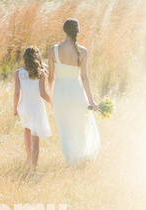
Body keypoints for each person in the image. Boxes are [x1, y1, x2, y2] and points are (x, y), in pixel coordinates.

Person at [48, 18, 100, 166]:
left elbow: (50, 77)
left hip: (60, 93)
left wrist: (51, 97)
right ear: (77, 31)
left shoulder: (54, 50)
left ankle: (71, 161)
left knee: (65, 128)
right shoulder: (83, 51)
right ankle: (81, 158)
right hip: (76, 92)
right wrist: (91, 100)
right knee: (80, 125)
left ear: (64, 30)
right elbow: (84, 78)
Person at [14, 47, 52, 170]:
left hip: (24, 106)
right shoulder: (41, 73)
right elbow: (42, 93)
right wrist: (52, 101)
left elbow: (16, 93)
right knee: (35, 138)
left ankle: (29, 158)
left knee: (27, 130)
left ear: (24, 58)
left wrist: (15, 108)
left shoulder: (18, 73)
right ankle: (33, 168)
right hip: (36, 107)